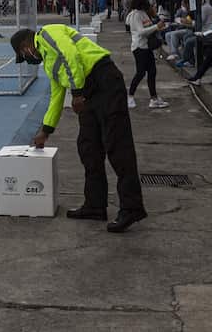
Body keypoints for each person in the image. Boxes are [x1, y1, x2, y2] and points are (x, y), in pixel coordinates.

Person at [11, 24, 147, 233]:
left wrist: (76, 93)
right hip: (87, 92)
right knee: (88, 148)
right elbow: (56, 97)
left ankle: (132, 207)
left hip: (104, 80)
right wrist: (45, 131)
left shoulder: (48, 33)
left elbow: (70, 55)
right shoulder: (48, 62)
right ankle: (95, 205)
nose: (27, 58)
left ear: (26, 46)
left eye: (23, 54)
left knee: (118, 147)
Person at [126, 0, 165, 109]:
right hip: (139, 48)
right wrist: (156, 26)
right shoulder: (135, 15)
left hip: (146, 47)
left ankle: (154, 98)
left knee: (152, 72)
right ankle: (130, 96)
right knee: (141, 73)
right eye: (147, 0)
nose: (150, 2)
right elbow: (141, 31)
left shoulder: (143, 13)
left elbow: (148, 28)